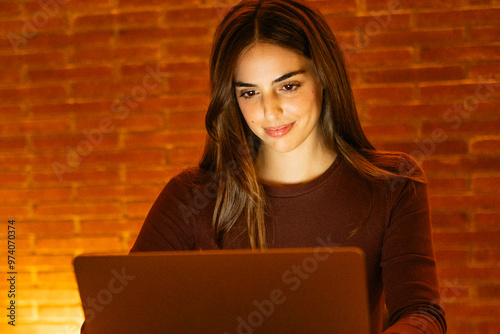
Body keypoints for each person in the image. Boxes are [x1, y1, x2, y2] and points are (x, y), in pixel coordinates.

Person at [130, 0, 447, 333]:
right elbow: (116, 316)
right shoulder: (190, 197)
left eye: (288, 86)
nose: (270, 111)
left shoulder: (392, 183)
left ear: (324, 76)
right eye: (250, 92)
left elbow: (420, 311)